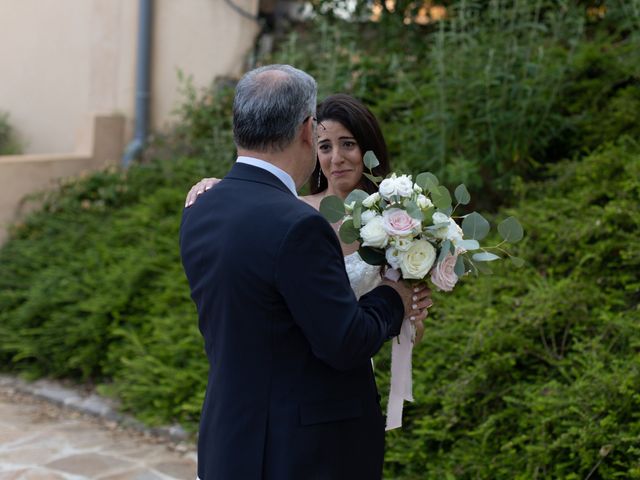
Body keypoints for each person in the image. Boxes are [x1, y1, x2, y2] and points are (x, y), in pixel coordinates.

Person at [180, 65, 432, 480]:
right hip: (304, 453)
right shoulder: (299, 223)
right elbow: (346, 341)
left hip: (229, 440)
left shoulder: (200, 207)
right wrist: (394, 295)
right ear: (306, 130)